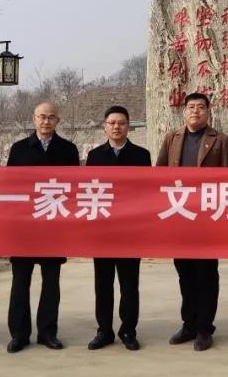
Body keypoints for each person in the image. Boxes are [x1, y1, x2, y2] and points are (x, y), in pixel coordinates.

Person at [156, 92, 228, 352]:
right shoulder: (172, 138)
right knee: (185, 274)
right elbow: (157, 175)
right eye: (191, 107)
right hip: (179, 217)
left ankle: (205, 327)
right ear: (184, 111)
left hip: (207, 219)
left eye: (201, 107)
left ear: (208, 111)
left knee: (206, 274)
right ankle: (189, 323)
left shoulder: (220, 140)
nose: (195, 111)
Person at [5, 102, 81, 353]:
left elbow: (74, 190)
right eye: (41, 117)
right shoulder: (18, 149)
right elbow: (9, 188)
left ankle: (48, 332)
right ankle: (19, 334)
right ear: (33, 118)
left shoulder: (68, 150)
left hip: (54, 227)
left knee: (51, 284)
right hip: (24, 229)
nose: (46, 122)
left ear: (58, 120)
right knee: (20, 284)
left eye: (51, 117)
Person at [85, 105, 152, 352]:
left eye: (121, 123)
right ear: (105, 127)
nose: (116, 127)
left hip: (130, 232)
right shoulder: (94, 156)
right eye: (112, 123)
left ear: (128, 126)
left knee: (129, 285)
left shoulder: (141, 156)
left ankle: (128, 331)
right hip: (102, 232)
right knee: (102, 285)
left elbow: (147, 193)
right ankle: (104, 331)